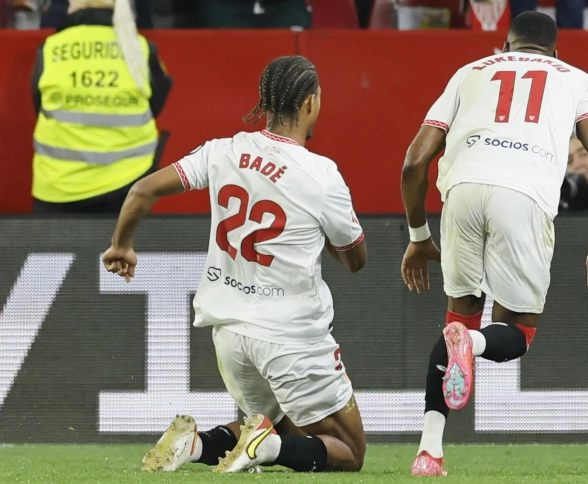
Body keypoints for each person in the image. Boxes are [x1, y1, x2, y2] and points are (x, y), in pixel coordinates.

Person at [102, 55, 368, 474]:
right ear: (311, 104)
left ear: (265, 101)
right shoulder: (321, 175)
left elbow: (142, 190)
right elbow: (355, 259)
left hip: (230, 336)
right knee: (349, 450)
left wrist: (122, 245)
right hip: (290, 337)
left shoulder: (222, 152)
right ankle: (269, 451)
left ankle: (193, 444)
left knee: (278, 424)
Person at [399, 12, 588, 476]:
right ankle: (473, 343)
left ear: (504, 45)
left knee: (457, 314)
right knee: (518, 332)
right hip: (523, 195)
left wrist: (419, 236)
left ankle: (429, 451)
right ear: (555, 53)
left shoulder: (469, 72)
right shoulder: (576, 78)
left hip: (461, 191)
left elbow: (414, 161)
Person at [31, 0, 172, 213]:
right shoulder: (141, 48)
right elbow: (155, 106)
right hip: (130, 185)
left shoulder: (51, 48)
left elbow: (39, 106)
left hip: (58, 188)